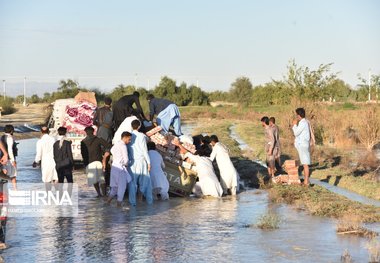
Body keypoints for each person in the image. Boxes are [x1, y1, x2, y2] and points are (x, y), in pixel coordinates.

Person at [81, 126, 111, 197]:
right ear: (93, 131)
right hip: (98, 161)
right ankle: (104, 195)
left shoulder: (83, 142)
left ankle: (98, 194)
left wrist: (85, 165)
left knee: (94, 180)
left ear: (86, 132)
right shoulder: (98, 139)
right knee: (102, 179)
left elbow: (83, 155)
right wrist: (106, 154)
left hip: (89, 163)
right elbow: (108, 146)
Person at [128, 119, 152, 205]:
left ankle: (132, 203)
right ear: (139, 126)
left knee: (132, 183)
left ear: (131, 126)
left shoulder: (129, 135)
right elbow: (145, 150)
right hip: (141, 161)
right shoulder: (142, 136)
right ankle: (141, 199)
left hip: (132, 162)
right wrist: (149, 163)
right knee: (144, 182)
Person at [107, 131, 132, 207]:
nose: (129, 141)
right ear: (125, 137)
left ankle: (107, 203)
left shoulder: (115, 145)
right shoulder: (123, 146)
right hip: (121, 168)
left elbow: (111, 151)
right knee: (122, 187)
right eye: (129, 139)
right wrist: (127, 164)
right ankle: (119, 205)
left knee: (114, 187)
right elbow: (126, 159)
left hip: (114, 167)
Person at [292, 108, 311, 186]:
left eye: (297, 115)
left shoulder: (303, 123)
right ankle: (306, 181)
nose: (296, 116)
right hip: (303, 144)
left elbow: (296, 133)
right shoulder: (305, 122)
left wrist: (294, 125)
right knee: (304, 163)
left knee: (305, 164)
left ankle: (306, 181)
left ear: (299, 115)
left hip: (303, 145)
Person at [53, 127, 74, 197]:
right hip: (67, 165)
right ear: (65, 133)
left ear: (58, 133)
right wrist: (72, 165)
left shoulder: (55, 144)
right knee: (70, 182)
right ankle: (69, 196)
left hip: (59, 166)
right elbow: (70, 155)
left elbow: (54, 156)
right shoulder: (67, 143)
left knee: (60, 182)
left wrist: (57, 164)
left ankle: (60, 196)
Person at [2, 125, 18, 189]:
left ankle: (4, 191)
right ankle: (15, 190)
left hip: (2, 159)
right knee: (13, 175)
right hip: (9, 159)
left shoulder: (2, 137)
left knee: (4, 176)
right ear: (11, 131)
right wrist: (13, 160)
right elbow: (10, 150)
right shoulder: (9, 138)